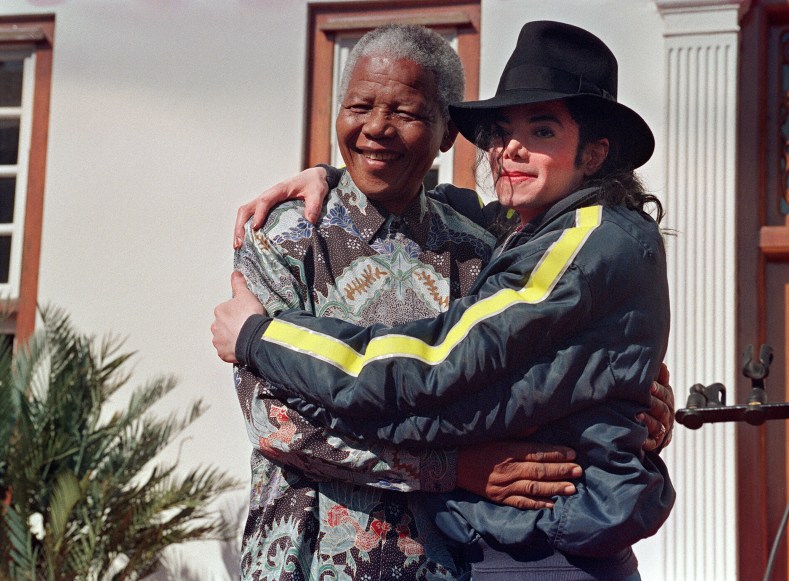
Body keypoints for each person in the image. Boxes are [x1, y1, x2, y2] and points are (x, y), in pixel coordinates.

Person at [214, 20, 674, 581]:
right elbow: (275, 421)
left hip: (451, 559)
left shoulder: (482, 241)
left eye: (407, 114)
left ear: (447, 134)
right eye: (359, 107)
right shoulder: (285, 236)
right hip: (309, 556)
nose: (377, 129)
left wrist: (634, 393)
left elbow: (465, 369)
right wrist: (451, 468)